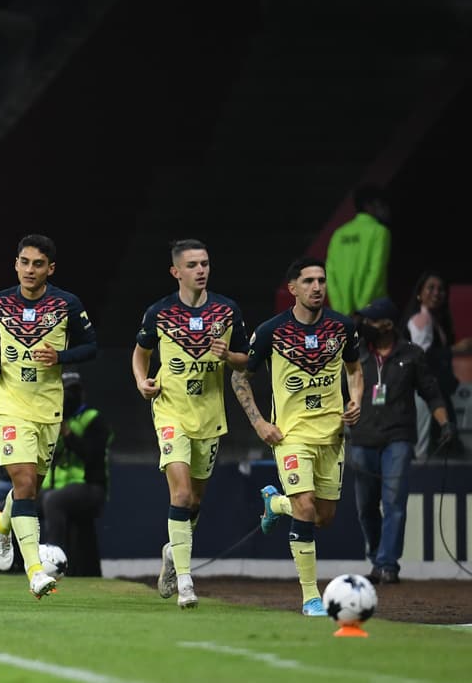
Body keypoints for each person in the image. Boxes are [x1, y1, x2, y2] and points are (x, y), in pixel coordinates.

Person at [230, 257, 363, 616]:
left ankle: (274, 503)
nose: (317, 287)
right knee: (304, 507)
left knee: (323, 517)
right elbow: (239, 376)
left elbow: (354, 369)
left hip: (331, 436)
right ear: (292, 288)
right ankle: (311, 597)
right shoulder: (271, 331)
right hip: (290, 436)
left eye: (321, 280)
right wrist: (259, 423)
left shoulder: (342, 327)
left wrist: (355, 400)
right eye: (308, 281)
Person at [0, 234, 98, 598]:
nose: (29, 269)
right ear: (16, 264)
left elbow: (92, 347)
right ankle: (35, 572)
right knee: (24, 481)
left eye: (38, 264)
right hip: (11, 404)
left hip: (48, 407)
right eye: (24, 262)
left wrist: (60, 357)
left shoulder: (67, 304)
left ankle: (2, 524)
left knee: (29, 488)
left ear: (50, 269)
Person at [131, 239, 248, 609]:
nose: (201, 270)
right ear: (176, 271)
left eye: (205, 264)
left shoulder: (227, 310)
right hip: (171, 412)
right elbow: (141, 353)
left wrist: (229, 355)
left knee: (194, 501)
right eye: (193, 265)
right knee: (180, 495)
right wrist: (142, 381)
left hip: (209, 416)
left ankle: (172, 553)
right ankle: (185, 581)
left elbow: (246, 360)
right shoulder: (159, 312)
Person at [348, 297, 454, 584]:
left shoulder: (412, 354)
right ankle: (377, 558)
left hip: (398, 438)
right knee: (366, 507)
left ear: (387, 325)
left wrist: (444, 424)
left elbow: (431, 392)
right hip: (362, 437)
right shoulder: (355, 353)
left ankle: (387, 564)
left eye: (371, 321)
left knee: (394, 501)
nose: (365, 325)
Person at [38, 371, 111, 578]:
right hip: (58, 486)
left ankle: (53, 563)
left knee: (53, 501)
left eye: (73, 392)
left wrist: (68, 434)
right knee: (20, 502)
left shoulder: (93, 419)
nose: (68, 398)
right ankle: (16, 566)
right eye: (64, 393)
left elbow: (92, 456)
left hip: (91, 486)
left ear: (82, 394)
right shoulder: (53, 420)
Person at [402, 271, 470, 453]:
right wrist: (455, 350)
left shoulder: (436, 320)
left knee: (444, 441)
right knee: (422, 446)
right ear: (419, 293)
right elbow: (421, 356)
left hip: (435, 392)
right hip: (422, 393)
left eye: (441, 289)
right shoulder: (421, 319)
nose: (436, 293)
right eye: (430, 288)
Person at [325, 184, 391, 316]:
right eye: (381, 204)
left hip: (342, 311)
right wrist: (361, 308)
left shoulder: (339, 234)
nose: (385, 209)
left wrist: (340, 308)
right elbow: (376, 271)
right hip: (372, 310)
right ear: (369, 205)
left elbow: (329, 274)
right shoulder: (380, 232)